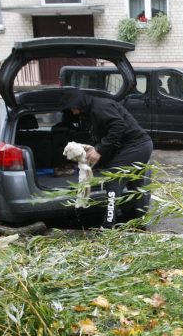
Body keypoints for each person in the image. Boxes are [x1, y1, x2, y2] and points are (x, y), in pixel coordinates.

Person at [59, 86, 153, 229]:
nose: (71, 112)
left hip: (137, 146)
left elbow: (119, 126)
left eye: (70, 108)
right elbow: (107, 134)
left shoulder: (99, 107)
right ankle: (138, 223)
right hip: (137, 146)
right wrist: (94, 149)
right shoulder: (91, 110)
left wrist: (99, 149)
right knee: (135, 185)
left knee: (112, 180)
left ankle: (108, 226)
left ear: (76, 103)